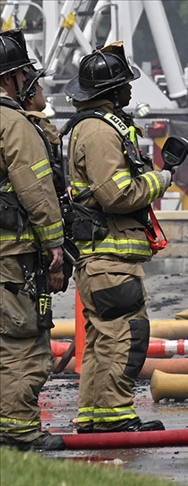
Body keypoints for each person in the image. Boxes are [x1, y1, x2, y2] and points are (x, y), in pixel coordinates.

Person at [64, 42, 172, 433]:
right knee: (126, 336)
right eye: (125, 84)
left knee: (103, 340)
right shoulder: (98, 131)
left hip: (102, 261)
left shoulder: (94, 127)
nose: (130, 90)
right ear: (111, 90)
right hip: (108, 261)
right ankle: (115, 418)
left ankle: (96, 417)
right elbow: (116, 194)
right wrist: (160, 179)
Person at [0, 29, 66, 451]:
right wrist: (55, 243)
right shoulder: (14, 124)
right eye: (25, 74)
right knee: (22, 346)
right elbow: (35, 189)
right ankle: (18, 431)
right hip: (12, 255)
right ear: (9, 79)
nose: (29, 81)